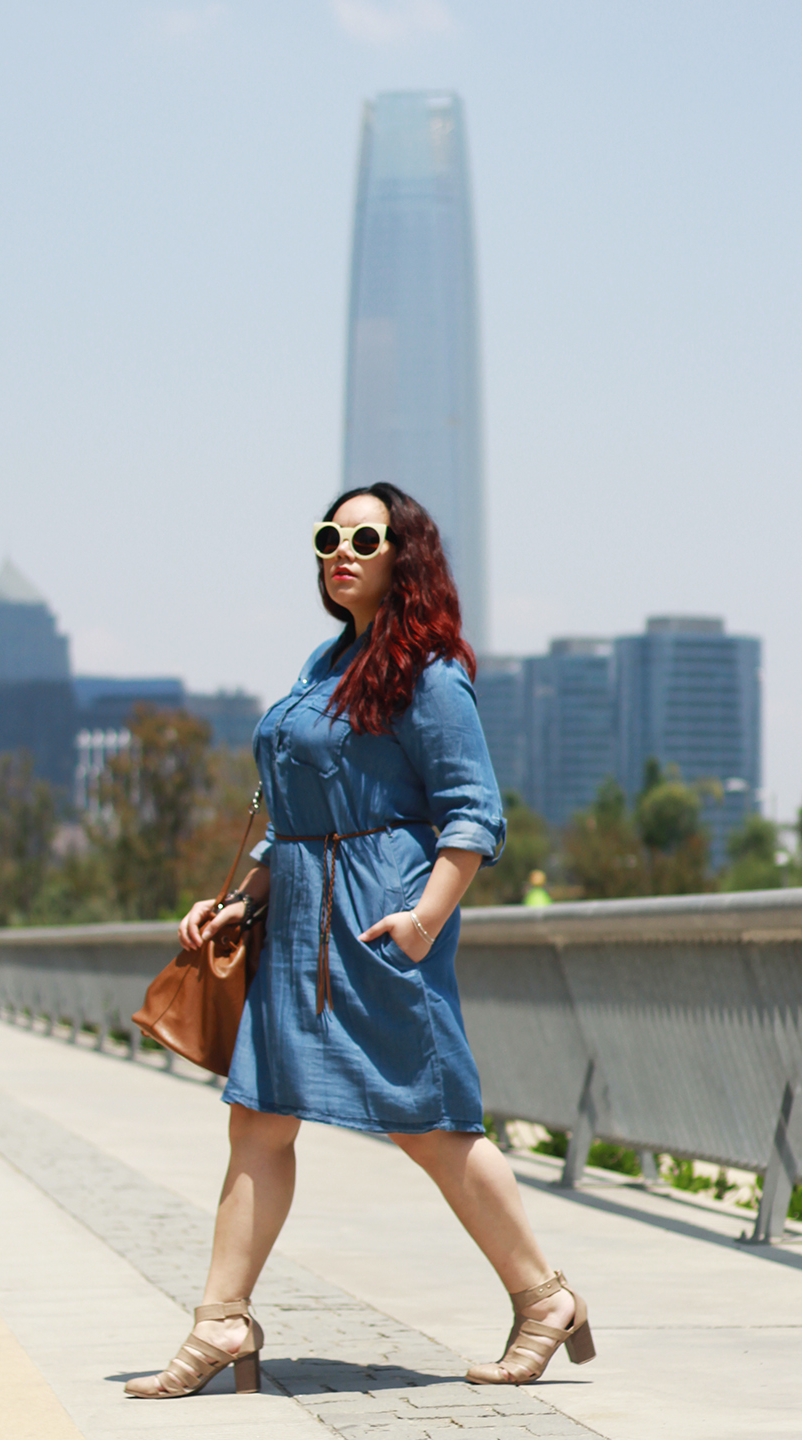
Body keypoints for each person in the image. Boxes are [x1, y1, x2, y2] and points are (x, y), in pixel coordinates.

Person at [125, 483, 594, 1400]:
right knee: (258, 1117)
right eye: (328, 536)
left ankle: (545, 1299)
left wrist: (421, 923)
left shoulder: (430, 674)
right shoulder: (326, 660)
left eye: (364, 536)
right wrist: (243, 900)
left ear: (402, 555)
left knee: (432, 1122)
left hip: (381, 927)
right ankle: (221, 1319)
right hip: (297, 921)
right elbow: (298, 814)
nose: (341, 549)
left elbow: (472, 817)